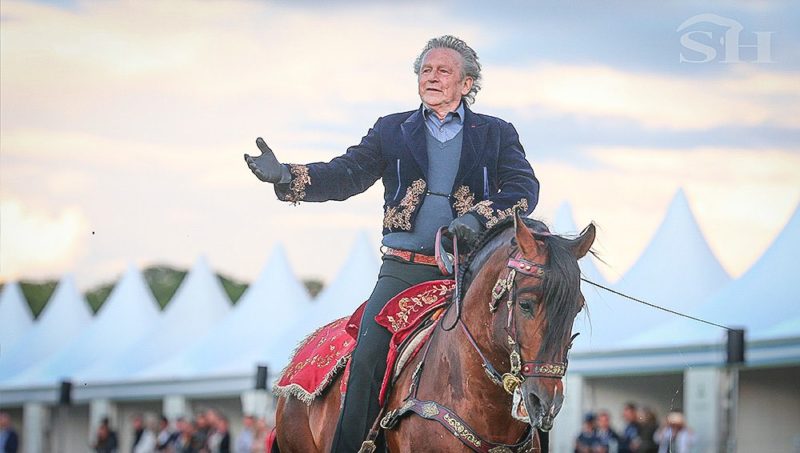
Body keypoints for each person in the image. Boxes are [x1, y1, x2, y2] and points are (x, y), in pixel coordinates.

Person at [244, 34, 539, 453]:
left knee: (530, 350)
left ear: (467, 83)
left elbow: (524, 187)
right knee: (368, 354)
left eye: (443, 71)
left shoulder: (496, 133)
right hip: (404, 269)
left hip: (472, 271)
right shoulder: (392, 129)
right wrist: (290, 177)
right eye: (425, 70)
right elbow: (348, 173)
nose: (431, 77)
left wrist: (476, 219)